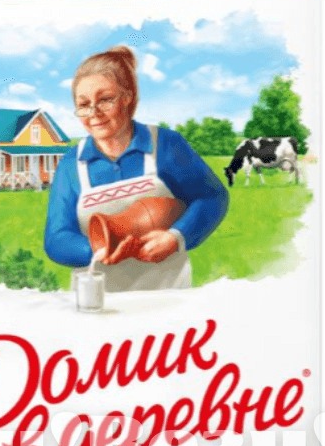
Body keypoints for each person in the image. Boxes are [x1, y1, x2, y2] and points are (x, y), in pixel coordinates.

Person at [44, 45, 228, 292]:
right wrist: (100, 249)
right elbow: (56, 238)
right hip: (99, 298)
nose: (94, 113)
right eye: (84, 104)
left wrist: (176, 237)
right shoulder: (71, 164)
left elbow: (211, 196)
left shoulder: (165, 144)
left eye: (105, 100)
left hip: (168, 293)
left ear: (127, 97)